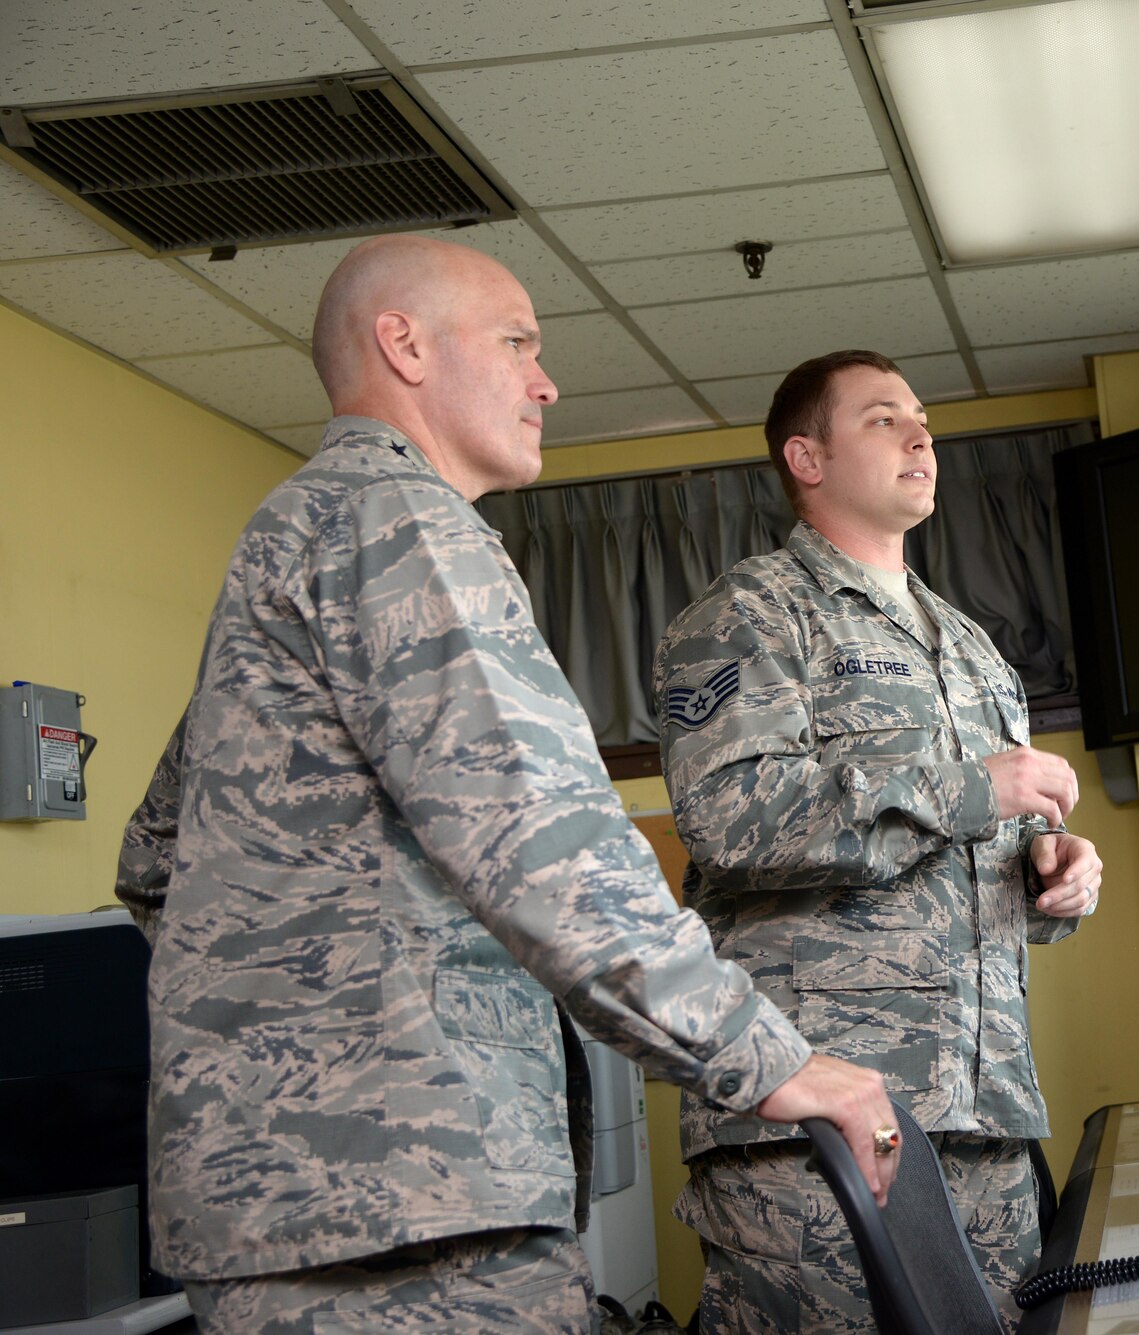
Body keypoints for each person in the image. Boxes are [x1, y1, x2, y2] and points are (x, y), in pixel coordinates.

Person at [112, 236, 897, 1335]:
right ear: (405, 345)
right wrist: (766, 1058)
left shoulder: (298, 531)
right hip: (405, 1198)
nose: (546, 381)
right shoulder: (404, 525)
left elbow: (158, 862)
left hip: (287, 1202)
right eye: (518, 343)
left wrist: (293, 1030)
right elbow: (547, 838)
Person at [652, 349, 1104, 1332]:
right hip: (814, 1123)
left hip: (984, 1122)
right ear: (805, 458)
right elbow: (730, 820)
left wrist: (1052, 875)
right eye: (882, 419)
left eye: (924, 421)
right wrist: (963, 791)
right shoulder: (747, 617)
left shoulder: (974, 650)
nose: (919, 436)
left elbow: (989, 845)